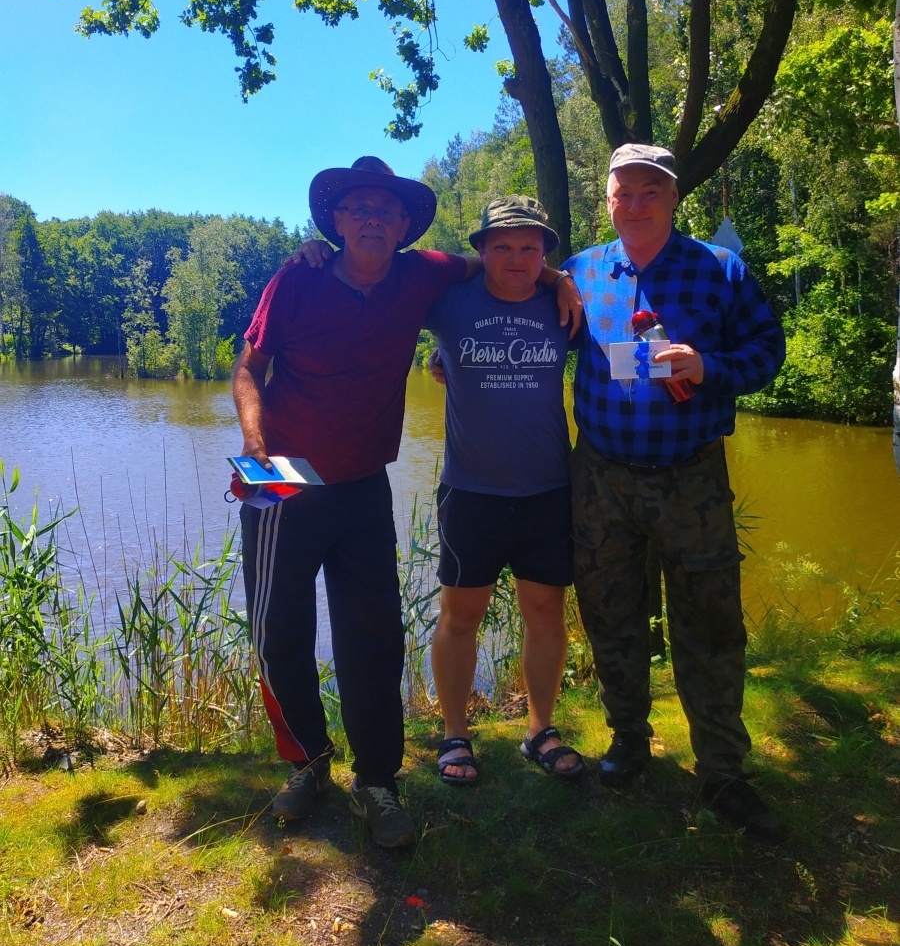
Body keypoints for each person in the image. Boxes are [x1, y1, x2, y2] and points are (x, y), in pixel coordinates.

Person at [232, 157, 581, 847]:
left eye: (385, 210)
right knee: (277, 631)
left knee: (374, 635)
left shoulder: (423, 273)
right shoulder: (296, 277)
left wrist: (554, 274)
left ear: (401, 226)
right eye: (358, 207)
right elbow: (249, 365)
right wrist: (255, 444)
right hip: (282, 471)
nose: (371, 218)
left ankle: (378, 779)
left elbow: (503, 258)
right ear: (335, 221)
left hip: (365, 476)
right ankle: (307, 763)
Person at [565, 143, 787, 840]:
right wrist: (453, 356)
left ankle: (722, 770)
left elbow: (769, 352)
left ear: (672, 198)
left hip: (691, 477)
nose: (634, 204)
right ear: (607, 199)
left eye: (648, 192)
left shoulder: (720, 271)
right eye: (622, 193)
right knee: (611, 617)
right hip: (601, 477)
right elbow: (511, 307)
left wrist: (709, 365)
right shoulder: (578, 273)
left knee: (710, 625)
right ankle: (630, 740)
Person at [425, 197, 583, 785]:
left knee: (545, 611)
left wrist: (559, 279)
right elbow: (394, 282)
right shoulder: (450, 302)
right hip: (470, 491)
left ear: (544, 252)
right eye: (502, 246)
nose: (516, 258)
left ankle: (541, 729)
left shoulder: (566, 304)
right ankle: (455, 735)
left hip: (548, 488)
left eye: (529, 247)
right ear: (482, 250)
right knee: (459, 616)